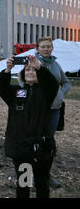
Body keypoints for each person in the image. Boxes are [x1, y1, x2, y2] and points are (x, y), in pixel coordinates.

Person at [0, 55, 59, 198]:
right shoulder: (16, 92)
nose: (30, 72)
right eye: (27, 69)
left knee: (42, 185)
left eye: (34, 70)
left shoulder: (45, 92)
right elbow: (0, 86)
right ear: (23, 73)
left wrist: (40, 67)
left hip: (41, 149)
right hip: (22, 149)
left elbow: (52, 84)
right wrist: (7, 70)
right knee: (24, 184)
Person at [35, 37, 71, 188]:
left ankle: (46, 174)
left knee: (49, 141)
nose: (46, 49)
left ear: (52, 48)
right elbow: (23, 81)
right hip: (37, 108)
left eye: (48, 46)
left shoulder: (56, 65)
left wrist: (60, 94)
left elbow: (67, 82)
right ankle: (28, 174)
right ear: (37, 49)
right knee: (34, 140)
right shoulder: (32, 63)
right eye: (43, 47)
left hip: (54, 109)